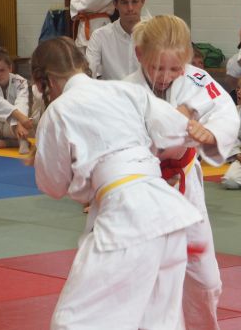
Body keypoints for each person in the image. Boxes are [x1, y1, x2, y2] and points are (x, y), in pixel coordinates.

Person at [32, 37, 207, 329]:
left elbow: (52, 185)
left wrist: (48, 156)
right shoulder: (125, 90)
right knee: (157, 322)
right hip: (169, 215)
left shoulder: (58, 111)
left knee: (74, 321)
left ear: (45, 81)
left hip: (128, 218)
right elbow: (181, 131)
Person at [125, 15, 239, 329]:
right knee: (148, 278)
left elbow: (225, 112)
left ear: (186, 60)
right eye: (155, 67)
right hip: (143, 189)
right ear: (139, 55)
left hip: (186, 189)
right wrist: (174, 122)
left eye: (174, 68)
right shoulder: (125, 89)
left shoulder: (198, 80)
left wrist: (211, 133)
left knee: (205, 278)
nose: (164, 77)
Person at [85, 0, 145, 80]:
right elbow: (88, 74)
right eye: (124, 3)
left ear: (143, 1)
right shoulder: (100, 36)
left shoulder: (156, 34)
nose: (130, 8)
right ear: (115, 4)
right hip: (112, 95)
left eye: (135, 1)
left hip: (146, 95)